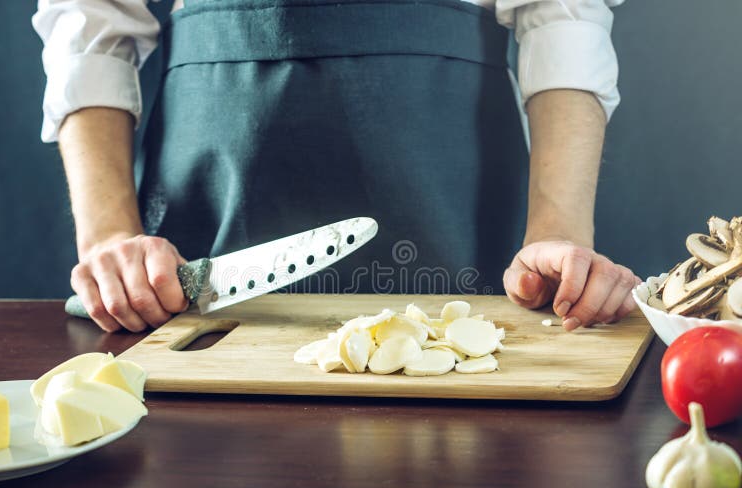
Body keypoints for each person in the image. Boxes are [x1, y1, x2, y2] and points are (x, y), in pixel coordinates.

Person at [33, 0, 639, 333]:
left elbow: (565, 14)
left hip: (450, 180)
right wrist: (110, 237)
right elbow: (88, 21)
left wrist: (558, 235)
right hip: (211, 189)